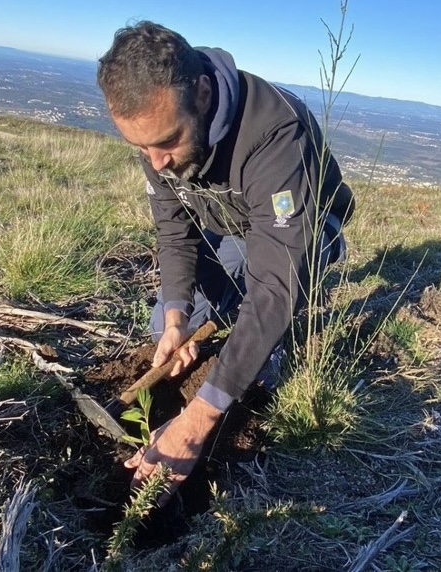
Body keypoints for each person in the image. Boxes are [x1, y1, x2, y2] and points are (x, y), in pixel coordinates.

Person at [96, 21, 355, 504]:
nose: (156, 162)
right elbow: (174, 231)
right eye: (141, 147)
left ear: (202, 93)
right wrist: (177, 317)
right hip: (232, 224)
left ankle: (315, 266)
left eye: (167, 142)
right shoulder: (158, 138)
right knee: (166, 324)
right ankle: (219, 330)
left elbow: (275, 285)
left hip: (299, 223)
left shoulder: (276, 135)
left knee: (261, 334)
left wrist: (198, 420)